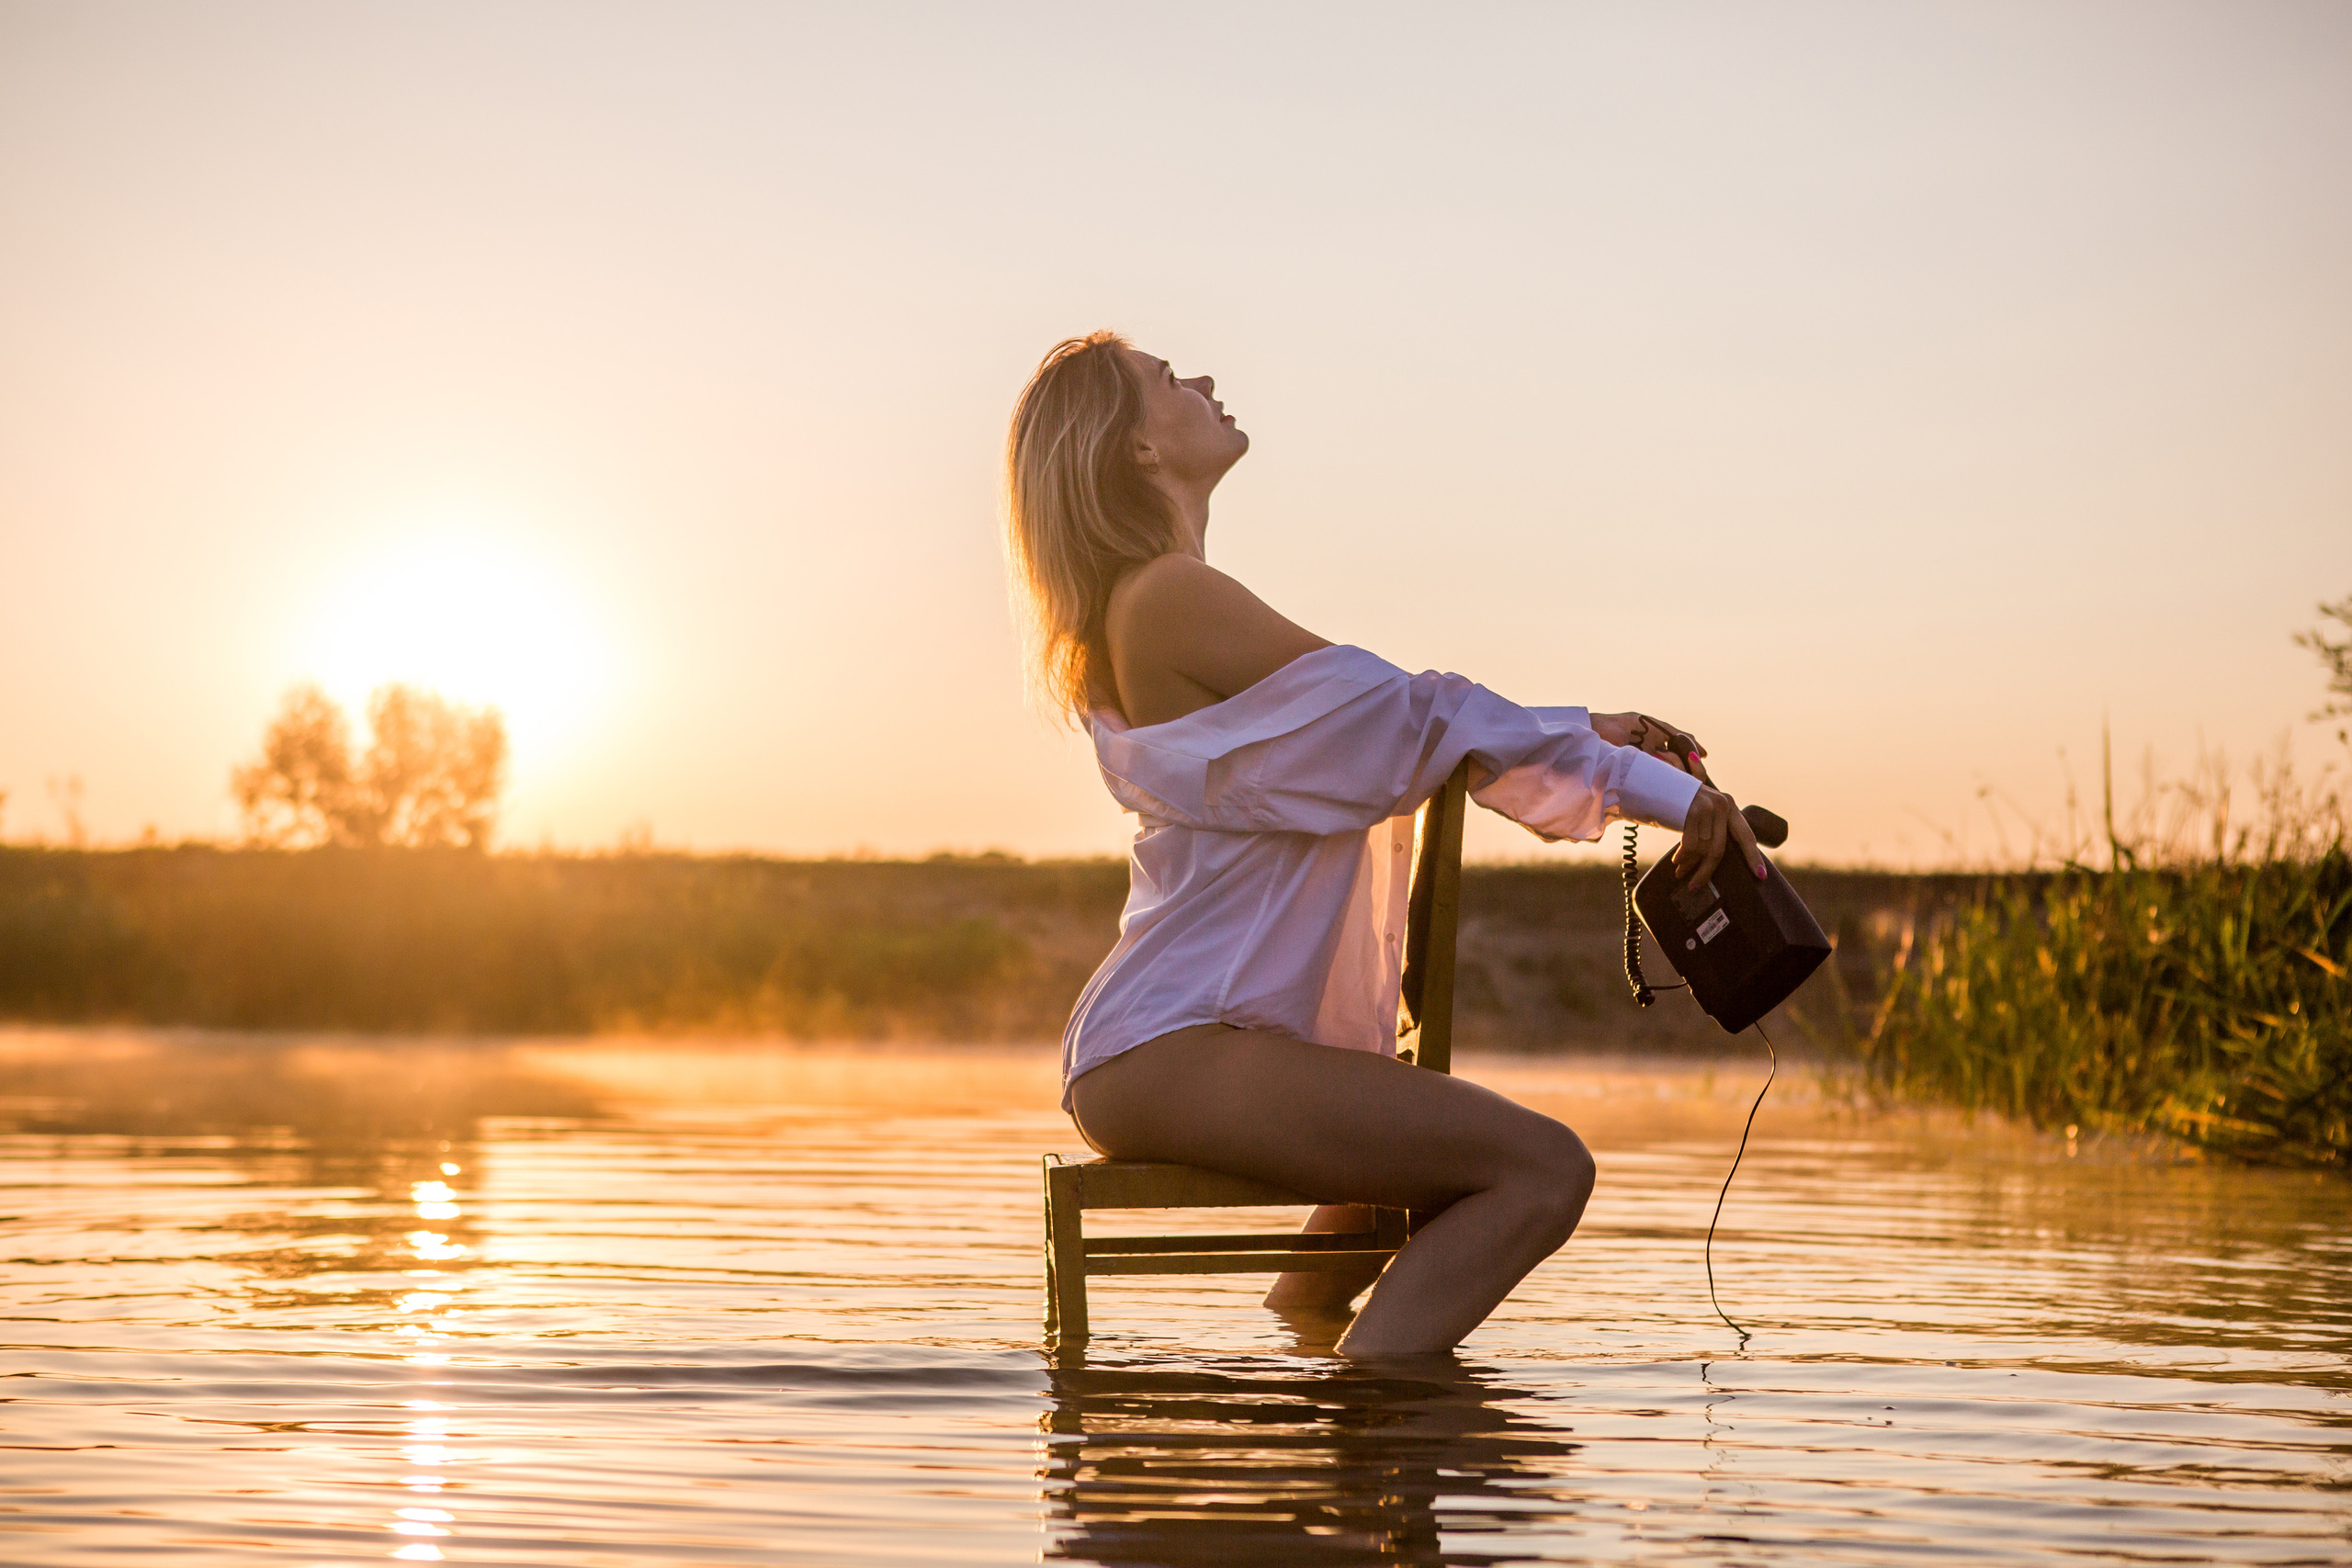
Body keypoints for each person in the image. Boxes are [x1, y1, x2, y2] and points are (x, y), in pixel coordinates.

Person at [1001, 331, 1767, 1358]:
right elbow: (1414, 717)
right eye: (1166, 380)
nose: (1205, 381)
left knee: (1409, 1183)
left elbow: (1406, 726)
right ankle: (1367, 1438)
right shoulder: (1167, 598)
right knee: (1544, 1170)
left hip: (1179, 1046)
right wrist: (1655, 791)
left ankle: (1312, 1354)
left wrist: (1592, 733)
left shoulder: (1150, 605)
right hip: (1175, 1046)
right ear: (1135, 451)